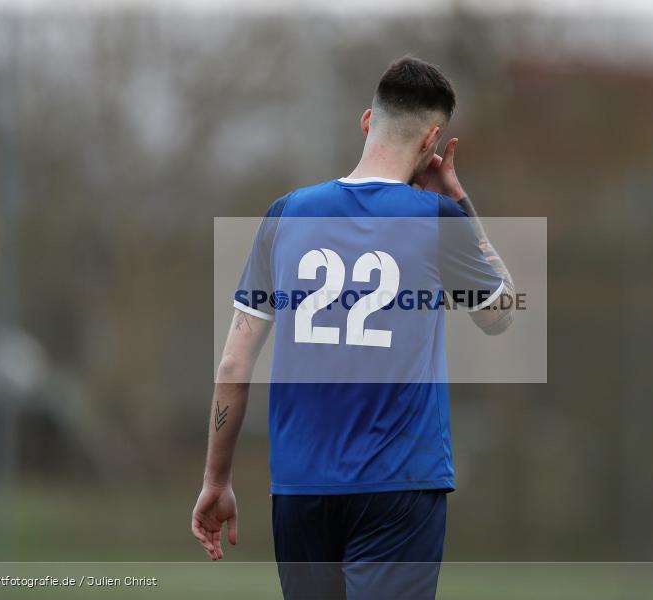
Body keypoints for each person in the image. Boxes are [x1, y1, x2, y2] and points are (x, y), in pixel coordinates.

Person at [192, 56, 514, 600]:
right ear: (432, 140)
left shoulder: (287, 214)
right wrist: (459, 199)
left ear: (367, 122)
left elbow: (233, 363)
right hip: (399, 484)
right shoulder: (437, 220)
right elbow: (499, 313)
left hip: (301, 487)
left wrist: (216, 480)